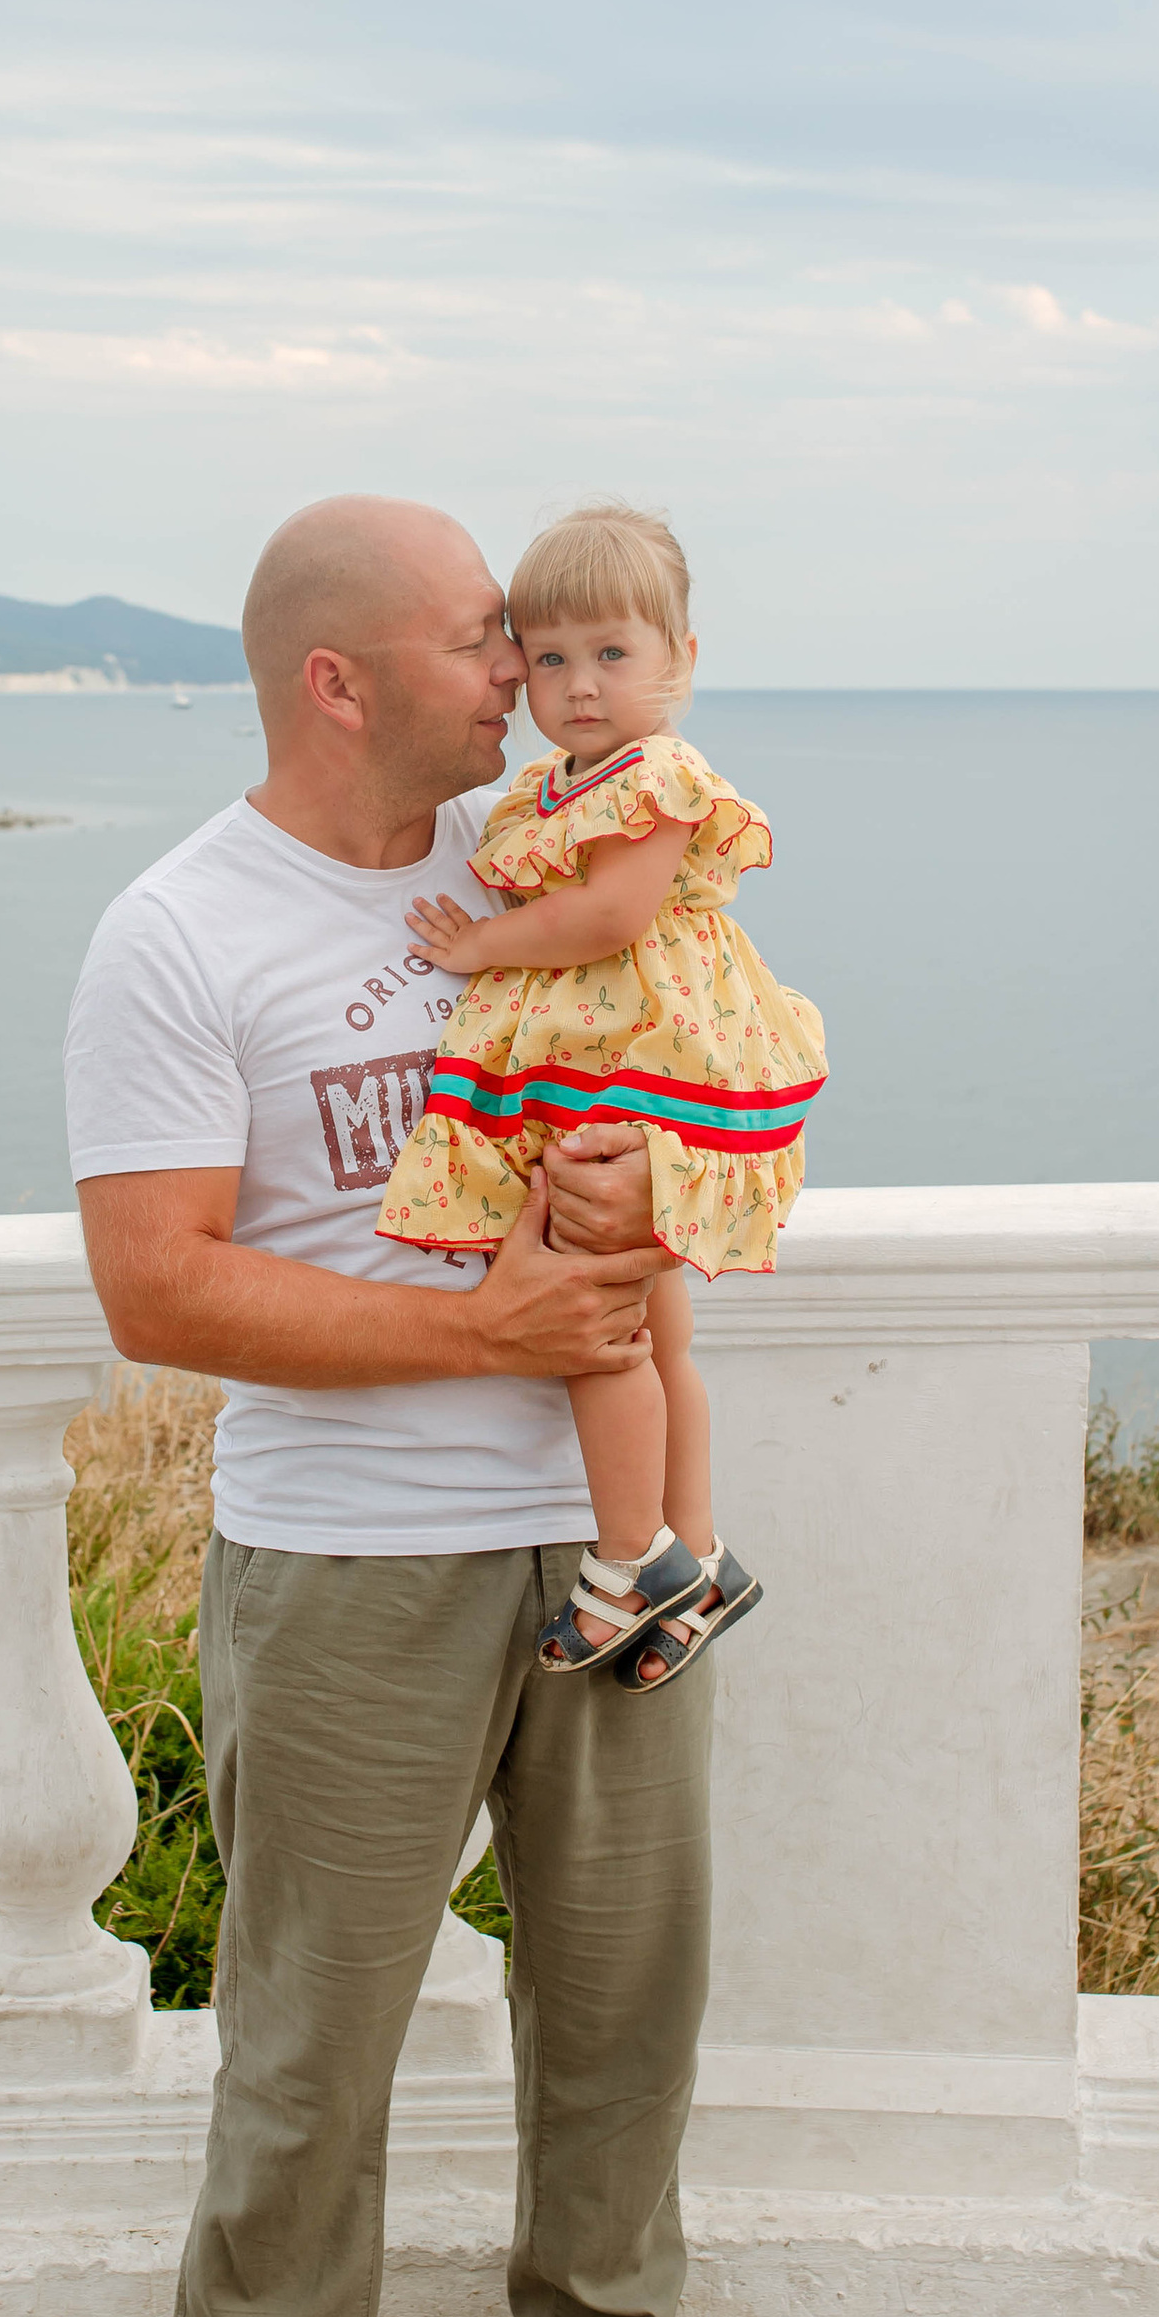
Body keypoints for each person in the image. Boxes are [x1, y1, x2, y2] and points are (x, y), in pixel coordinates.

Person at [64, 493, 751, 2317]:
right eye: (482, 640)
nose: (525, 666)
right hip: (346, 1562)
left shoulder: (526, 870)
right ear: (335, 681)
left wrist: (674, 1502)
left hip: (592, 1534)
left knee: (623, 1988)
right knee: (312, 2023)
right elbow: (156, 1293)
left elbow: (645, 1128)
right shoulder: (175, 936)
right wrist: (476, 1329)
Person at [379, 501, 825, 1688]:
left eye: (614, 655)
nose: (579, 686)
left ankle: (631, 1559)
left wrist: (483, 947)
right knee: (656, 1331)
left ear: (682, 660)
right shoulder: (565, 782)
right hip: (628, 1061)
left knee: (596, 1324)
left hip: (639, 1070)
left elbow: (611, 916)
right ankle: (702, 1554)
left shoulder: (657, 777)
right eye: (553, 658)